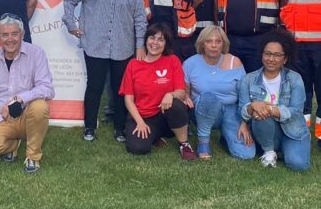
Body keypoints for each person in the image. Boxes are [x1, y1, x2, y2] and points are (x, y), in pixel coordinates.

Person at [63, 0, 147, 143]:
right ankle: (89, 127)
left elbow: (139, 17)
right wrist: (71, 24)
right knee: (94, 86)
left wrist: (140, 44)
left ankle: (120, 128)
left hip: (123, 46)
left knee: (121, 89)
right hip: (95, 45)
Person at [0, 13, 54, 173]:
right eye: (5, 34)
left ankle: (33, 157)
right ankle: (13, 145)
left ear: (22, 34)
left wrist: (19, 98)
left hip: (27, 116)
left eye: (14, 34)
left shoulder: (37, 53)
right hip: (1, 119)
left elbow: (47, 88)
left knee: (40, 106)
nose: (10, 39)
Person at [119, 23, 198, 160]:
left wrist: (170, 94)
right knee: (138, 148)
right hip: (143, 116)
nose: (155, 43)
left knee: (177, 105)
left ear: (166, 44)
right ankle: (154, 137)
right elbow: (128, 99)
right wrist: (140, 122)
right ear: (146, 40)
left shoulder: (172, 61)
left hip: (165, 115)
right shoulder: (133, 64)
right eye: (152, 38)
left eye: (161, 40)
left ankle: (184, 144)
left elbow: (181, 92)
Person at [239, 29, 310, 171]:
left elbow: (296, 112)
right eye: (268, 53)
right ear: (262, 55)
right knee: (259, 112)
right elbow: (242, 110)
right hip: (266, 127)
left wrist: (270, 109)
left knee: (298, 165)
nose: (271, 59)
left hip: (293, 130)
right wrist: (252, 106)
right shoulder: (249, 79)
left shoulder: (295, 79)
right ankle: (269, 151)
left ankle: (286, 149)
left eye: (277, 55)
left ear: (285, 59)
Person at [183, 25, 254, 160]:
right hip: (202, 109)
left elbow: (244, 94)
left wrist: (244, 123)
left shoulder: (235, 62)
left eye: (218, 41)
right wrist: (186, 97)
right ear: (202, 43)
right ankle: (203, 142)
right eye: (209, 41)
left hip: (230, 109)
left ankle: (226, 138)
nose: (214, 45)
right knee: (209, 97)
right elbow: (184, 91)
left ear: (224, 44)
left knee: (246, 154)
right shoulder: (190, 63)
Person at [279, 0, 321, 140]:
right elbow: (285, 4)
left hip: (319, 44)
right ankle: (301, 133)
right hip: (296, 44)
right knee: (300, 92)